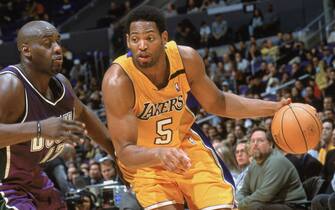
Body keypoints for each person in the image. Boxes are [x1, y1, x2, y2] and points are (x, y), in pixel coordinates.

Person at [102, 6, 290, 210]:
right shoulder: (118, 81)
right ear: (128, 40)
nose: (142, 46)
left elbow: (219, 103)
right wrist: (159, 154)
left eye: (149, 38)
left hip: (186, 147)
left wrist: (274, 108)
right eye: (135, 39)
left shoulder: (185, 59)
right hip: (145, 160)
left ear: (164, 38)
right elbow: (124, 151)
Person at [0, 20, 114, 210]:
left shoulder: (62, 85)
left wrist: (116, 154)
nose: (57, 49)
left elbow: (84, 113)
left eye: (57, 42)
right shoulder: (9, 86)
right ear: (26, 50)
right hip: (5, 184)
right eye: (47, 43)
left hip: (35, 180)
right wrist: (38, 129)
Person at [236, 127, 306, 210]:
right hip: (270, 204)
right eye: (252, 141)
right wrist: (238, 202)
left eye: (260, 140)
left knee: (255, 207)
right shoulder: (254, 163)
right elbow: (244, 190)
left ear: (270, 144)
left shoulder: (277, 161)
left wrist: (241, 205)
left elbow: (264, 195)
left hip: (292, 206)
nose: (255, 144)